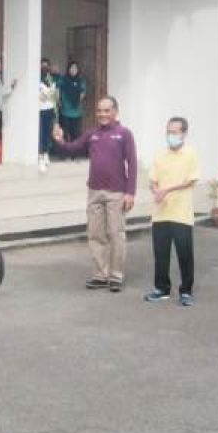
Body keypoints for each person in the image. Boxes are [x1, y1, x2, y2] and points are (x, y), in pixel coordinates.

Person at [51, 96, 138, 292]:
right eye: (99, 111)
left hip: (116, 192)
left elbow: (132, 163)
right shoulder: (92, 134)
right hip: (94, 191)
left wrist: (130, 192)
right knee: (96, 234)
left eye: (107, 110)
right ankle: (101, 274)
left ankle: (115, 276)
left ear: (115, 112)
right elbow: (71, 148)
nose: (102, 114)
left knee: (115, 234)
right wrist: (59, 140)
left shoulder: (124, 134)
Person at [143, 117, 201, 306]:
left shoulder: (190, 154)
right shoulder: (160, 155)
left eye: (175, 132)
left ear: (184, 134)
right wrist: (155, 189)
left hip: (181, 213)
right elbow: (153, 179)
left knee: (184, 253)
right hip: (161, 213)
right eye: (168, 132)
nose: (171, 136)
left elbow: (191, 180)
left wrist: (167, 190)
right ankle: (161, 288)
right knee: (161, 253)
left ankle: (186, 291)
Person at [56, 60, 87, 150]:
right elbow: (58, 90)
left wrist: (75, 100)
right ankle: (64, 151)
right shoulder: (63, 79)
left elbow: (83, 93)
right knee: (64, 132)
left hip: (76, 111)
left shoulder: (81, 80)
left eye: (75, 68)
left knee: (75, 133)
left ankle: (74, 151)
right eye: (71, 68)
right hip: (65, 110)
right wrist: (59, 101)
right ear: (68, 69)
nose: (73, 70)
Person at [38, 58, 59, 172]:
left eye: (47, 66)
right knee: (41, 133)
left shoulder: (51, 80)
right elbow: (40, 96)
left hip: (50, 109)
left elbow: (54, 96)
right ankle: (40, 155)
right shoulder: (37, 80)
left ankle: (46, 153)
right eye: (43, 66)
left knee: (48, 132)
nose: (45, 68)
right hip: (40, 110)